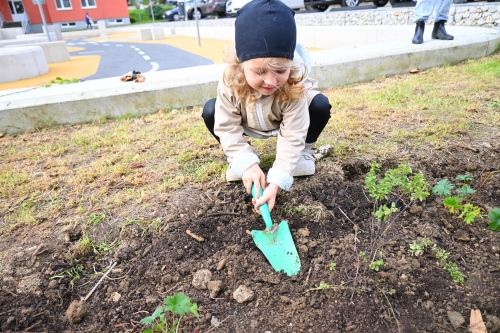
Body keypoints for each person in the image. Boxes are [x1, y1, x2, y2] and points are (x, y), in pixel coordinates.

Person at [201, 0, 331, 213]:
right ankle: (238, 159)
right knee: (211, 111)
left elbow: (293, 132)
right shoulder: (230, 80)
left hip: (280, 121)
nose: (271, 81)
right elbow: (227, 126)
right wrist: (247, 164)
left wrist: (278, 181)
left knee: (319, 104)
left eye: (280, 70)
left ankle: (303, 155)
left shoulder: (294, 83)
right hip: (248, 122)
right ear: (241, 66)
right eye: (259, 72)